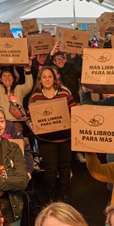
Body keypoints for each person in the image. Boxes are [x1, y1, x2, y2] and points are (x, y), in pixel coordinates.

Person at [28, 66, 76, 204]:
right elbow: (28, 116)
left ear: (54, 79)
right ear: (40, 80)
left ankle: (65, 195)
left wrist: (72, 120)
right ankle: (50, 196)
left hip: (66, 138)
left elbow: (74, 111)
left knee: (65, 167)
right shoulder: (35, 97)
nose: (47, 79)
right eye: (44, 77)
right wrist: (31, 125)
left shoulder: (64, 93)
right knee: (50, 169)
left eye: (50, 76)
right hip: (46, 140)